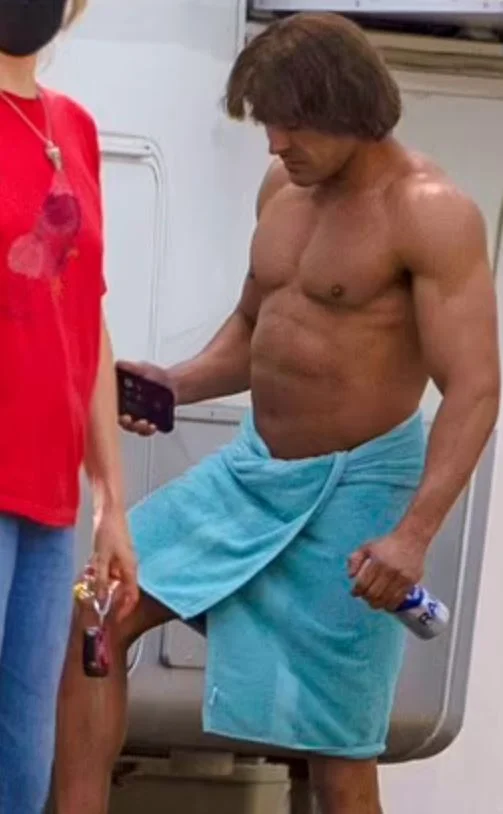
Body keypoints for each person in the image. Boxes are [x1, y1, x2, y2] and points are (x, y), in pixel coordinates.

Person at [54, 13, 499, 814]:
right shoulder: (283, 189)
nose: (273, 142)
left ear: (345, 107)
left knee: (335, 749)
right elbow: (254, 328)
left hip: (357, 490)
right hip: (252, 472)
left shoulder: (429, 211)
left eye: (288, 122)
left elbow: (475, 386)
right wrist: (174, 382)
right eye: (266, 122)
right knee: (97, 608)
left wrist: (413, 536)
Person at [0, 1, 138, 812]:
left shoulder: (75, 129)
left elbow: (85, 315)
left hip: (50, 502)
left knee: (24, 765)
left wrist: (110, 501)